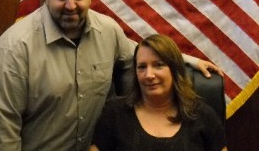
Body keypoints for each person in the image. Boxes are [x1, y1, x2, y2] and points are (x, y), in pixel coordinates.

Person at [0, 0, 223, 151]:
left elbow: (143, 55)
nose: (71, 6)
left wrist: (189, 60)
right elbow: (0, 135)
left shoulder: (106, 31)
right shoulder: (14, 48)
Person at [90, 34, 227, 151]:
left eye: (158, 65)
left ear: (175, 70)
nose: (149, 75)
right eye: (142, 67)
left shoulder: (203, 116)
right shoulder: (114, 114)